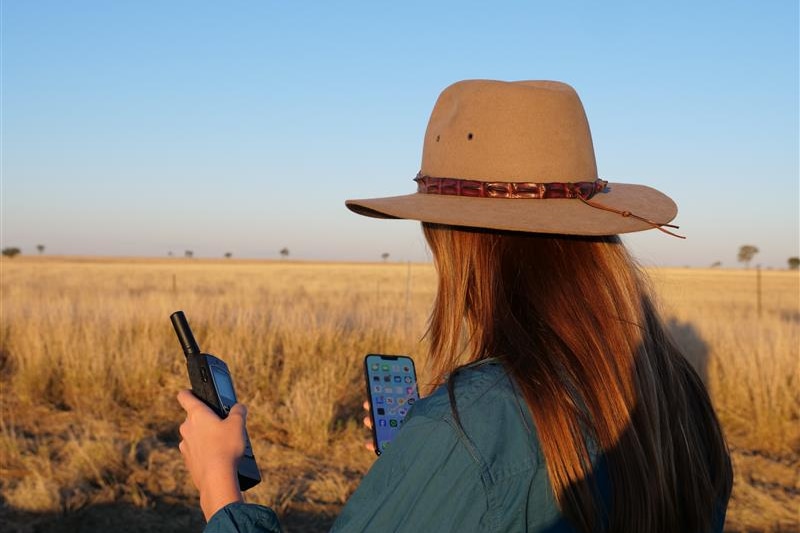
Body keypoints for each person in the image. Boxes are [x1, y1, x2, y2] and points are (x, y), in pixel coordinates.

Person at [177, 80, 733, 532]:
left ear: (457, 240)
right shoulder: (676, 395)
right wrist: (422, 474)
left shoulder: (466, 428)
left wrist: (219, 488)